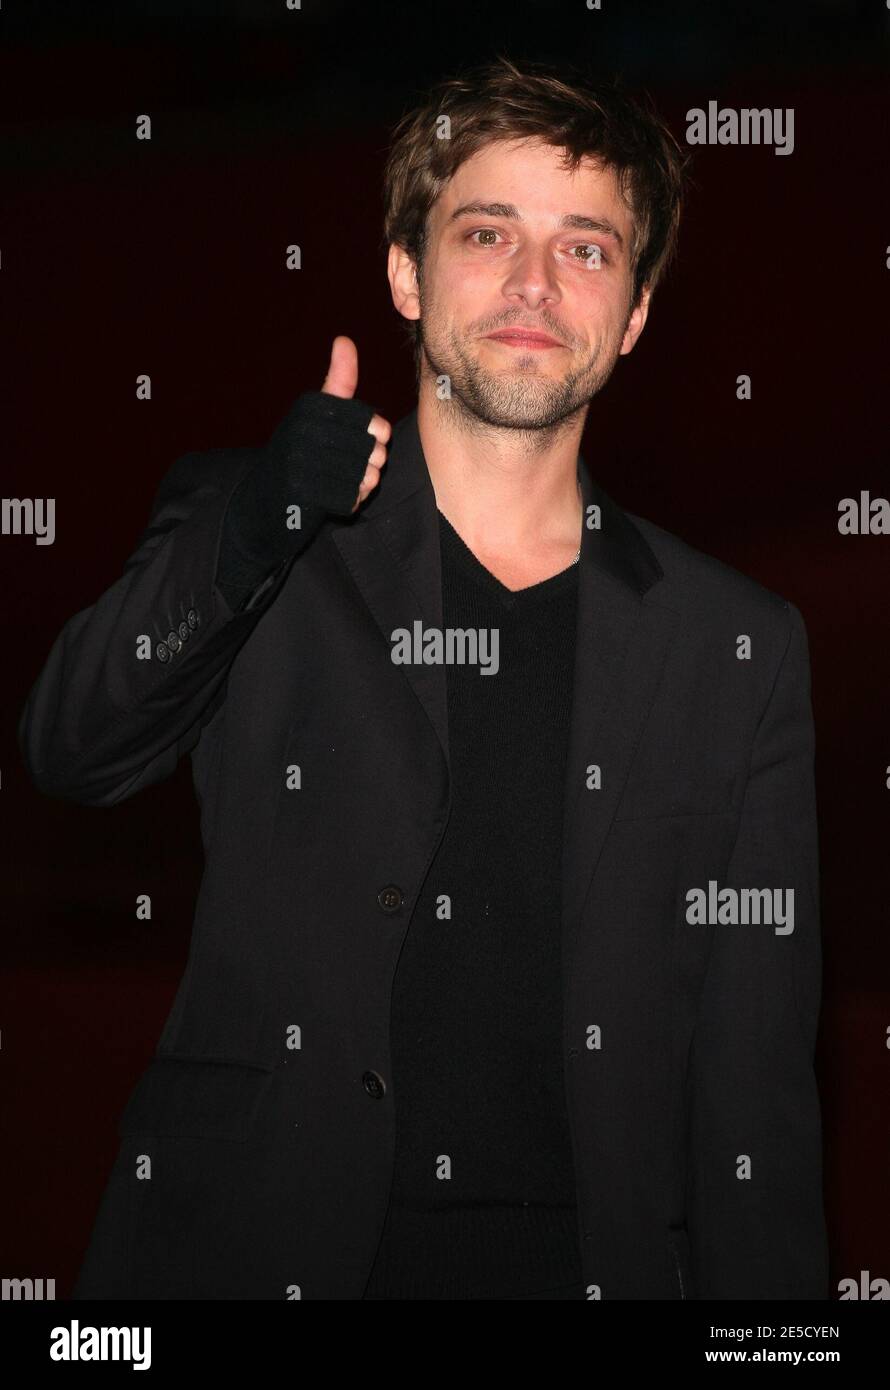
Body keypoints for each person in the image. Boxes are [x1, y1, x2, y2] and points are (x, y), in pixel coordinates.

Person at [19, 54, 828, 1300]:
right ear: (404, 271)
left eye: (585, 249)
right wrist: (251, 537)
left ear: (636, 312)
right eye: (486, 231)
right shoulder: (262, 527)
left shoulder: (736, 645)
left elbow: (753, 1099)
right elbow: (71, 750)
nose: (531, 284)